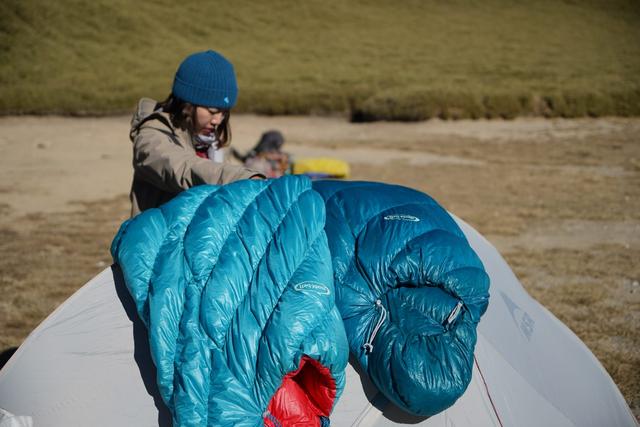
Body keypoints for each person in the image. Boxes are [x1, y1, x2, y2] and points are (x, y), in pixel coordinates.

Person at [128, 50, 264, 216]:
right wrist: (242, 178)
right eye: (213, 111)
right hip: (157, 240)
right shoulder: (151, 138)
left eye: (224, 112)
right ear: (187, 104)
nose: (218, 120)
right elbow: (184, 168)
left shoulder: (211, 141)